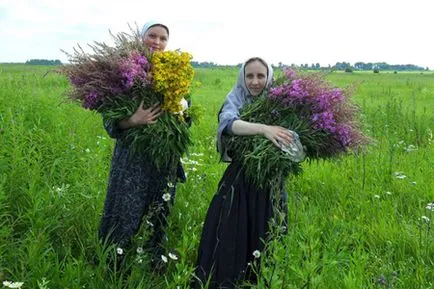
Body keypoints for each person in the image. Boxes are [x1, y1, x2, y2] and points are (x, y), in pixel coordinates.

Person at [193, 57, 293, 288]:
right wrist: (264, 130)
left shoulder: (281, 102)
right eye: (250, 76)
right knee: (232, 231)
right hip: (240, 179)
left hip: (271, 179)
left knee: (267, 229)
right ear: (242, 77)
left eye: (261, 76)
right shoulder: (236, 98)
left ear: (269, 77)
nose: (255, 82)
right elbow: (228, 124)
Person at [98, 21, 185, 267]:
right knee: (124, 210)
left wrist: (181, 112)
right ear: (141, 37)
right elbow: (109, 122)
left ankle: (153, 263)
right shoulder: (125, 70)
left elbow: (185, 117)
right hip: (132, 159)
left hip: (164, 158)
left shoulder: (175, 70)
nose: (157, 42)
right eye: (152, 36)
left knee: (159, 212)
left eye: (163, 38)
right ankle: (114, 265)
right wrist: (133, 120)